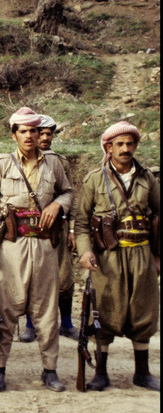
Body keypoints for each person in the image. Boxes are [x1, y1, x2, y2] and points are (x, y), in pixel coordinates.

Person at [0, 107, 73, 392]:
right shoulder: (3, 164)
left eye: (33, 130)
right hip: (11, 245)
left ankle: (50, 369)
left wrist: (57, 204)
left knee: (46, 311)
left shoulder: (53, 163)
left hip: (45, 246)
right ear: (14, 134)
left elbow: (68, 192)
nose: (29, 135)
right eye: (23, 131)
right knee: (7, 308)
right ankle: (0, 366)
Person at [74, 121, 160, 392]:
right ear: (108, 148)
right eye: (119, 144)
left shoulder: (148, 178)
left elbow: (159, 216)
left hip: (142, 252)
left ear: (135, 146)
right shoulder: (94, 179)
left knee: (143, 311)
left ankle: (142, 373)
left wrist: (158, 256)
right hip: (108, 256)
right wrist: (85, 250)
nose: (125, 149)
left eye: (130, 143)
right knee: (105, 311)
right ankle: (100, 373)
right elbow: (82, 222)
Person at [20, 114, 78, 343]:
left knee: (64, 279)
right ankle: (30, 325)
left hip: (57, 228)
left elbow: (70, 195)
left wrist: (72, 229)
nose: (44, 138)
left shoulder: (59, 161)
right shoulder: (22, 160)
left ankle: (65, 322)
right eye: (39, 132)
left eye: (48, 133)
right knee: (31, 278)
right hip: (31, 228)